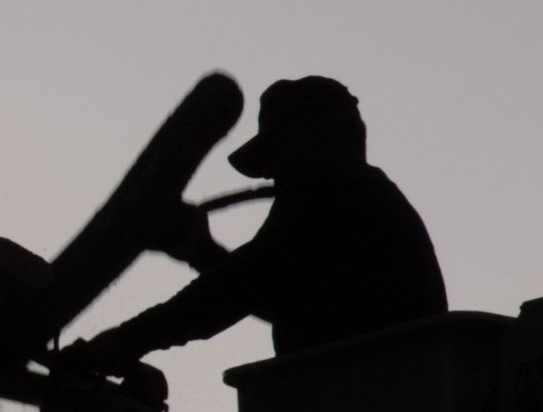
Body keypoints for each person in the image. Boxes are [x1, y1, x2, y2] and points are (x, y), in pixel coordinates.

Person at [70, 76, 447, 370]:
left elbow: (238, 288)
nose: (274, 177)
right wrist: (198, 250)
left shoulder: (333, 197)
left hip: (367, 408)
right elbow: (277, 293)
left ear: (311, 142)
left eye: (277, 158)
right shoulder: (363, 199)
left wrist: (124, 342)